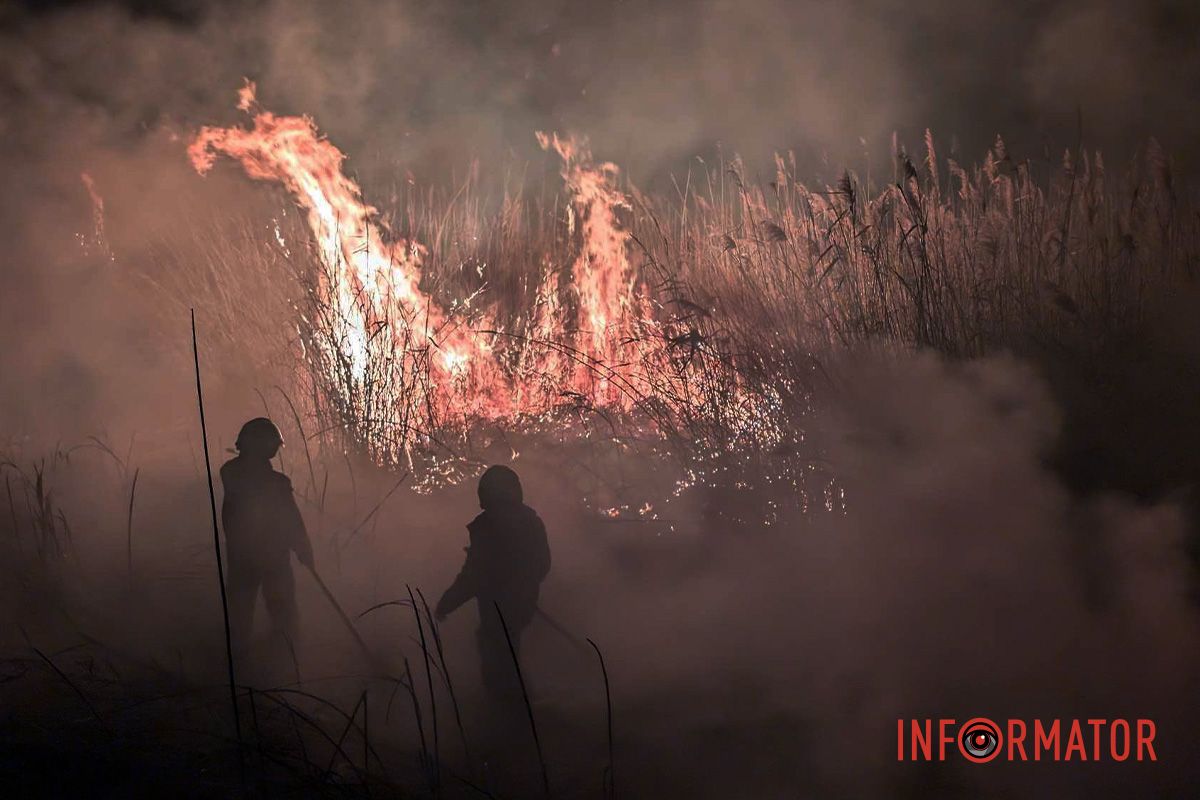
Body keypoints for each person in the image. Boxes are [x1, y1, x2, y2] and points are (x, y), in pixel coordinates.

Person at [436, 465, 551, 699]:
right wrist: (524, 588)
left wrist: (448, 602)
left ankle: (510, 713)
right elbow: (542, 565)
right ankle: (521, 709)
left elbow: (473, 576)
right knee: (506, 654)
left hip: (500, 609)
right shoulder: (530, 522)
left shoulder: (488, 527)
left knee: (497, 659)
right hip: (521, 606)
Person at [220, 417, 314, 654]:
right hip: (271, 559)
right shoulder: (275, 483)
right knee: (281, 613)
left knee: (241, 614)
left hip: (241, 557)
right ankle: (283, 657)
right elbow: (292, 521)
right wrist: (303, 549)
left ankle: (246, 659)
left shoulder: (231, 473)